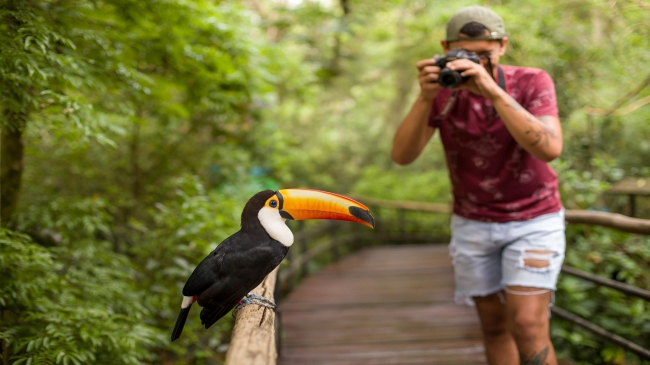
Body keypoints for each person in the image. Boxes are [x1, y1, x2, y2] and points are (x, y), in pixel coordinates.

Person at [391, 5, 565, 365]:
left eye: (485, 55)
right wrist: (425, 96)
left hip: (534, 219)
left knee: (528, 323)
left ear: (503, 46)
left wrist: (493, 92)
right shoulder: (441, 90)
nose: (477, 65)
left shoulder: (532, 81)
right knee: (492, 324)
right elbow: (402, 155)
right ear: (445, 48)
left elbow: (550, 148)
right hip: (473, 222)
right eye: (466, 55)